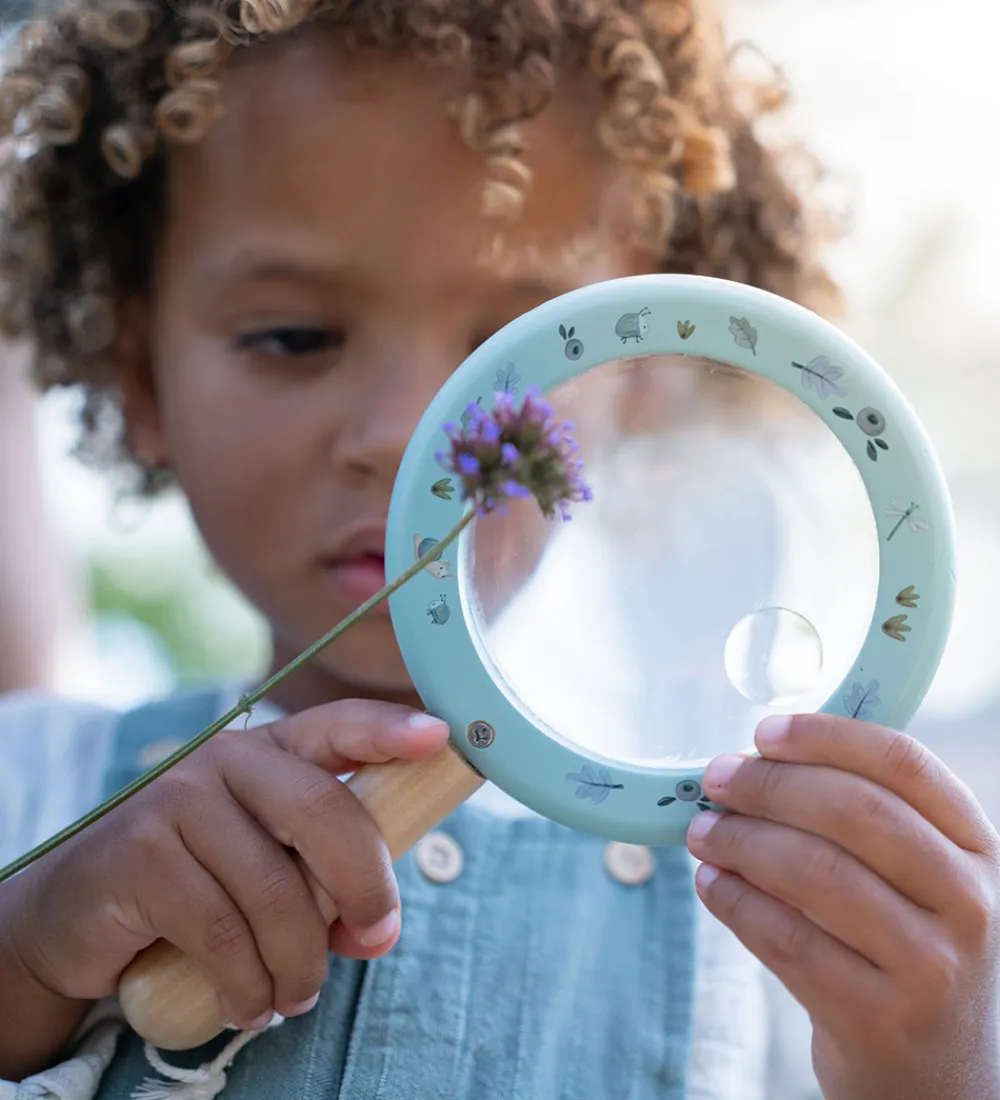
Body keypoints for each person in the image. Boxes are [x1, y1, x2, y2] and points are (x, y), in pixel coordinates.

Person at [0, 3, 996, 1100]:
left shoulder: (776, 898)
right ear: (138, 376)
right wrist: (38, 948)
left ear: (648, 382)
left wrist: (929, 1059)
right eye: (295, 336)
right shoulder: (33, 786)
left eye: (511, 349)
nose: (404, 434)